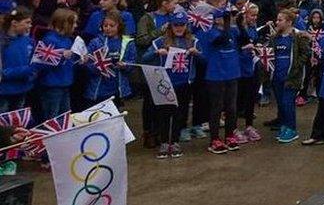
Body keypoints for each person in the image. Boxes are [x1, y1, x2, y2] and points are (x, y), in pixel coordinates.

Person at [143, 13, 199, 159]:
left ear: (186, 26)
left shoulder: (192, 42)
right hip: (165, 84)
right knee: (164, 114)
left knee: (179, 114)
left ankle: (174, 141)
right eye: (176, 25)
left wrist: (197, 53)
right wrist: (156, 52)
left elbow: (204, 61)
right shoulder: (160, 41)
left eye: (182, 25)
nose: (179, 28)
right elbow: (144, 58)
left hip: (184, 84)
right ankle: (163, 142)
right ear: (170, 25)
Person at [197, 8, 241, 154]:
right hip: (216, 74)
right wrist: (228, 25)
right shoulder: (211, 32)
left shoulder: (233, 31)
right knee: (217, 107)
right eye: (224, 17)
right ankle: (214, 139)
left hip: (232, 73)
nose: (227, 19)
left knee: (231, 107)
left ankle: (229, 135)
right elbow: (219, 40)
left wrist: (239, 23)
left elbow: (243, 38)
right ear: (216, 20)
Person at [269, 9, 310, 144]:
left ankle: (292, 128)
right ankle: (284, 125)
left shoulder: (298, 37)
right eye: (277, 19)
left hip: (291, 77)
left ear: (289, 22)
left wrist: (297, 67)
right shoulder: (274, 38)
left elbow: (306, 53)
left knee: (288, 103)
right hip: (277, 76)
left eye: (280, 20)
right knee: (281, 103)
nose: (277, 22)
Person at [84, 10, 136, 107]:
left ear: (119, 26)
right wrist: (98, 67)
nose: (108, 28)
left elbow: (132, 63)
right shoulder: (96, 42)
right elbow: (87, 63)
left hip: (117, 88)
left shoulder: (128, 42)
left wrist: (125, 66)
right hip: (98, 88)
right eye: (105, 26)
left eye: (112, 26)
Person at [36, 9, 78, 120]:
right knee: (52, 118)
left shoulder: (68, 40)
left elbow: (69, 61)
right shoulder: (49, 40)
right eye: (73, 23)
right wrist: (60, 56)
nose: (76, 26)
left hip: (64, 83)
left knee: (65, 117)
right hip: (51, 85)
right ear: (64, 23)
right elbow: (42, 63)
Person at [234, 2, 262, 144]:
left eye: (256, 15)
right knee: (236, 98)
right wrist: (245, 47)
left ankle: (249, 125)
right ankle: (232, 128)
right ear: (244, 14)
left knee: (251, 97)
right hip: (237, 66)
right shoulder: (236, 29)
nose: (254, 18)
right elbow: (234, 46)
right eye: (252, 15)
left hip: (250, 65)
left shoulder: (252, 28)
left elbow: (254, 41)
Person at [0, 7, 35, 112]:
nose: (30, 26)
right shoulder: (2, 42)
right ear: (14, 23)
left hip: (23, 89)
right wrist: (27, 70)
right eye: (27, 22)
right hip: (4, 92)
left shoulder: (29, 41)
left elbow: (33, 61)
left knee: (18, 123)